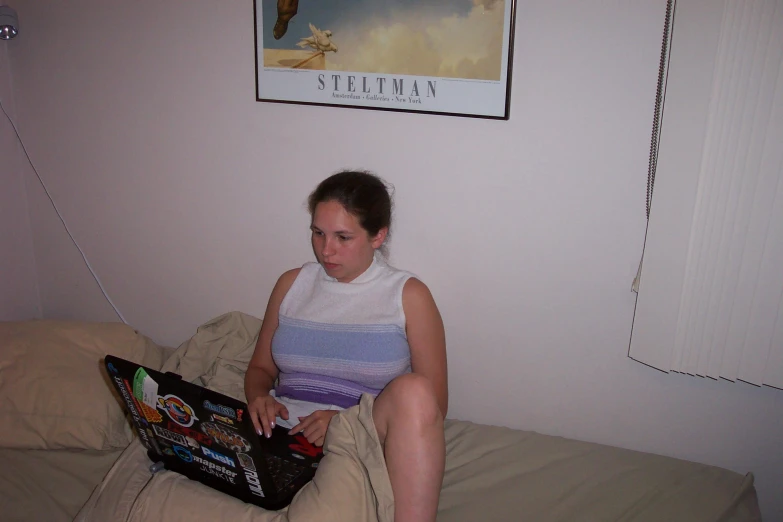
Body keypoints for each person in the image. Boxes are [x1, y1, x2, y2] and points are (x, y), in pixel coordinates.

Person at [245, 170, 447, 522]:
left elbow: (433, 405)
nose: (326, 250)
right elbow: (261, 369)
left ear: (378, 236)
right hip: (283, 437)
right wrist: (259, 397)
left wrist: (344, 423)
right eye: (318, 233)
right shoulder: (292, 284)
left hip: (359, 437)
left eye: (343, 237)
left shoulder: (409, 295)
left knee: (415, 389)